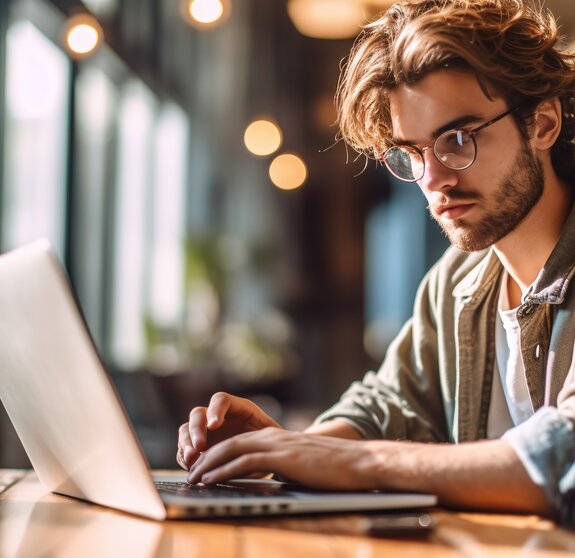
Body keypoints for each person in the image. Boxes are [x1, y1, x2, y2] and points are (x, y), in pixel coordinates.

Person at [177, 0, 575, 526]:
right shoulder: (455, 281)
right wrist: (282, 448)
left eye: (457, 140)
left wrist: (354, 460)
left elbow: (561, 456)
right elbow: (389, 406)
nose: (433, 180)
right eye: (414, 151)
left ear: (542, 123)